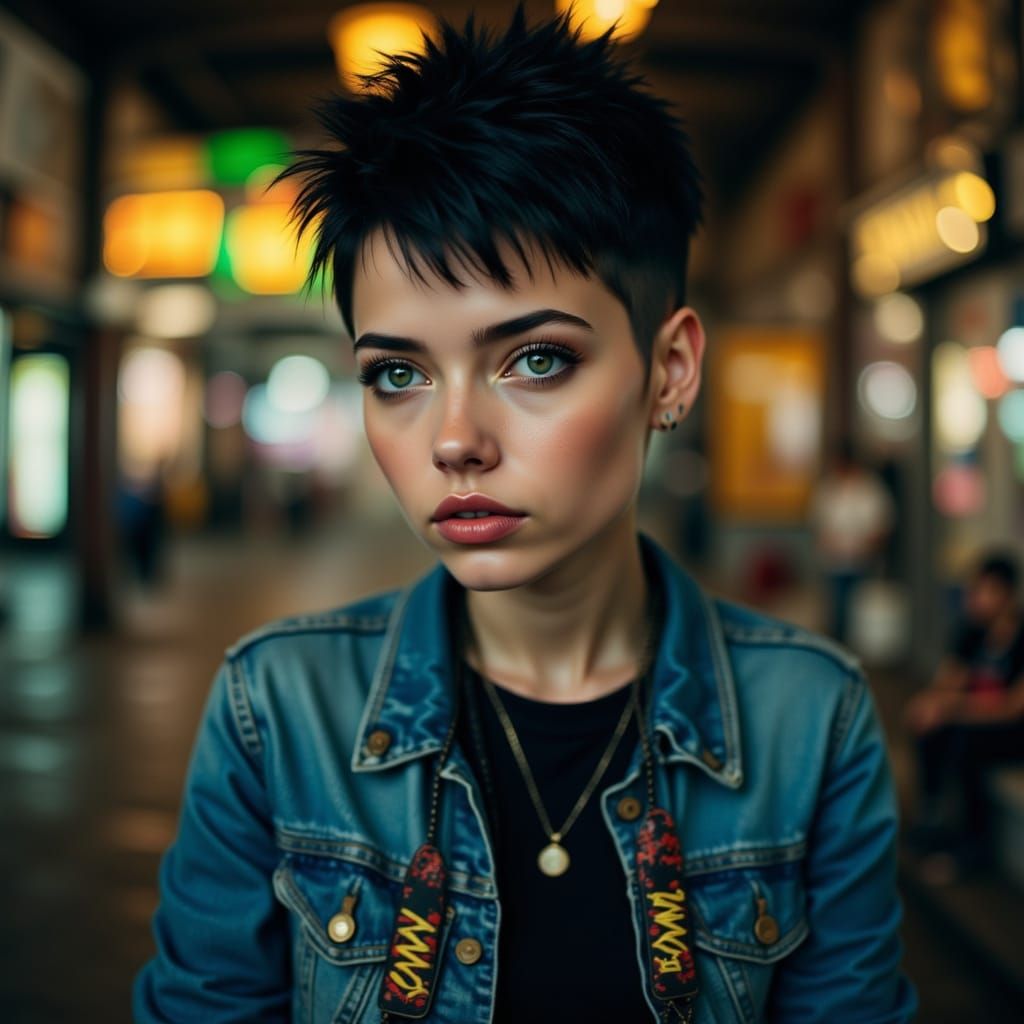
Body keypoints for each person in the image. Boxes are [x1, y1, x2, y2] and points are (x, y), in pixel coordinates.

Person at [133, 7, 916, 1022]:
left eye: (534, 359)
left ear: (667, 371)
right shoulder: (275, 712)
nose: (454, 438)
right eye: (398, 372)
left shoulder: (809, 722)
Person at [905, 551, 1024, 880]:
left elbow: (1013, 706)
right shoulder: (972, 632)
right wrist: (930, 704)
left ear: (1006, 594)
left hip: (1012, 727)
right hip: (976, 722)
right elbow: (949, 680)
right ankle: (933, 821)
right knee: (931, 729)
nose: (974, 600)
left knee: (965, 741)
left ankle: (974, 849)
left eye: (983, 591)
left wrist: (952, 708)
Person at [809, 439, 894, 644]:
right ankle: (838, 644)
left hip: (862, 561)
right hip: (835, 560)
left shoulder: (869, 488)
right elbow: (818, 522)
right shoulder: (829, 488)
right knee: (836, 608)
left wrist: (866, 543)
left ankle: (859, 646)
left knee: (860, 609)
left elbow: (882, 523)